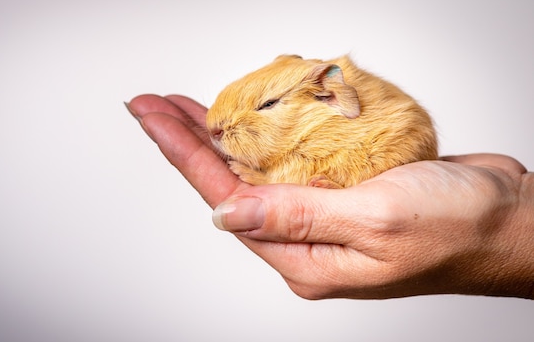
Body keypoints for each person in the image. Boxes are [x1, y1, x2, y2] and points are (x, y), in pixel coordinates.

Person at [126, 94, 534, 300]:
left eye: (267, 105)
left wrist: (510, 228)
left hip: (372, 154)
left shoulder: (349, 130)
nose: (220, 129)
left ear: (332, 97)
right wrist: (516, 198)